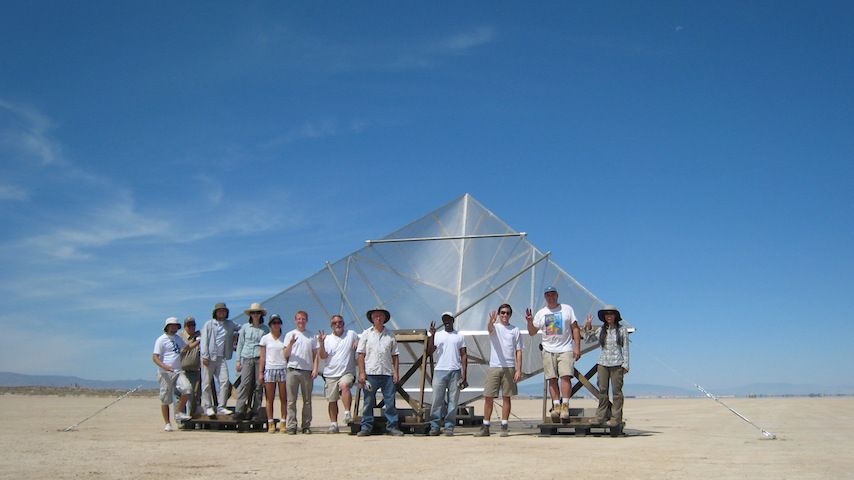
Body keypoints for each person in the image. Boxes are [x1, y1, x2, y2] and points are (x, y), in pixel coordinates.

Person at [525, 286, 581, 422]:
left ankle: (565, 406)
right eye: (548, 295)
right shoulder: (541, 313)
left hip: (565, 348)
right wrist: (529, 321)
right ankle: (556, 406)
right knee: (552, 378)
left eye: (553, 294)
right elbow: (532, 332)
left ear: (557, 295)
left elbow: (575, 328)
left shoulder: (567, 309)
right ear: (545, 297)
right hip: (548, 349)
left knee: (566, 377)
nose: (550, 297)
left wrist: (577, 347)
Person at [475, 304, 523, 437]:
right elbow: (489, 329)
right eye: (502, 313)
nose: (505, 315)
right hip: (495, 366)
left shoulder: (515, 330)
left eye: (507, 313)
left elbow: (519, 351)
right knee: (488, 396)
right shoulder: (495, 327)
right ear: (499, 314)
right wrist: (491, 321)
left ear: (510, 314)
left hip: (510, 367)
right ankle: (486, 426)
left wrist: (519, 369)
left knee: (506, 397)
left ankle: (504, 426)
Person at [356, 308, 404, 437]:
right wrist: (361, 373)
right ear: (372, 318)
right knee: (368, 401)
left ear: (384, 318)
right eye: (375, 316)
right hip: (370, 372)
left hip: (387, 373)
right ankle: (366, 427)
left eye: (380, 316)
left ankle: (392, 427)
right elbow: (361, 355)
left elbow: (395, 355)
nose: (378, 318)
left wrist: (396, 372)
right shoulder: (366, 334)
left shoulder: (390, 335)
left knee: (390, 402)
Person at [583, 305, 629, 427]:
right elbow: (588, 340)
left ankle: (616, 418)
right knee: (603, 391)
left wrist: (626, 364)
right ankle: (600, 417)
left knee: (616, 392)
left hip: (617, 363)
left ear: (615, 316)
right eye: (606, 314)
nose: (609, 316)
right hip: (603, 364)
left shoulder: (622, 330)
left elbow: (625, 348)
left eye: (611, 314)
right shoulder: (601, 330)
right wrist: (588, 327)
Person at [427, 311, 467, 436]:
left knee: (453, 401)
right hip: (440, 370)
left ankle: (449, 427)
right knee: (437, 400)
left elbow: (464, 355)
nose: (446, 322)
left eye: (448, 319)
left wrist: (464, 374)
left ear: (452, 320)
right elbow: (429, 351)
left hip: (455, 371)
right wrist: (432, 335)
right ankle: (435, 426)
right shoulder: (438, 335)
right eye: (444, 319)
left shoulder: (459, 336)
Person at [318, 314, 359, 434]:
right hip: (330, 373)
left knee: (344, 385)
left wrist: (358, 342)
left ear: (343, 323)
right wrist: (321, 343)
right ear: (331, 325)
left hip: (347, 372)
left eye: (340, 322)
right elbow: (322, 356)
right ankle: (333, 424)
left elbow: (363, 338)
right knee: (332, 400)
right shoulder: (327, 339)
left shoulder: (351, 334)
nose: (338, 324)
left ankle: (347, 413)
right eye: (335, 323)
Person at [152, 317, 192, 431]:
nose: (174, 327)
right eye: (172, 325)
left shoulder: (178, 338)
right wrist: (165, 366)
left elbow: (187, 347)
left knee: (187, 389)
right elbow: (155, 357)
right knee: (165, 399)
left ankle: (179, 412)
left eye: (176, 325)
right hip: (165, 373)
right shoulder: (161, 339)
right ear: (167, 327)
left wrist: (198, 341)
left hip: (178, 371)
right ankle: (167, 423)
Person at [283, 310, 319, 434]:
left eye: (303, 319)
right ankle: (292, 426)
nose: (301, 321)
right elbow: (285, 354)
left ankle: (306, 426)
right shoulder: (290, 335)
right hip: (292, 370)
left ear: (306, 321)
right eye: (299, 319)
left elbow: (315, 355)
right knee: (291, 401)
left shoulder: (312, 336)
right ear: (295, 320)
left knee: (307, 400)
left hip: (307, 372)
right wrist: (291, 344)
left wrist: (315, 369)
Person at [200, 302, 239, 417]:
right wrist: (204, 355)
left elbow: (242, 329)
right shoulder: (209, 324)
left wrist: (236, 336)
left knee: (225, 381)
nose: (221, 312)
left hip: (221, 357)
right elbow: (204, 340)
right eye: (219, 311)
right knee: (206, 383)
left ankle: (221, 407)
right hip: (209, 357)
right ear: (215, 312)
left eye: (224, 311)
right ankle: (207, 407)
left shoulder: (230, 324)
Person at [234, 303, 270, 421]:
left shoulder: (265, 329)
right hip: (247, 358)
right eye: (253, 313)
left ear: (261, 314)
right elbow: (240, 344)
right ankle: (239, 410)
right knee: (245, 384)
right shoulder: (245, 327)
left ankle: (255, 411)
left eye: (257, 313)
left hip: (260, 359)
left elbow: (267, 346)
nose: (255, 315)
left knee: (258, 386)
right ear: (250, 314)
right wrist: (238, 360)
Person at [259, 314, 287, 433]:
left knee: (283, 397)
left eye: (278, 322)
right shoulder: (265, 338)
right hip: (270, 369)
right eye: (273, 323)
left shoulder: (285, 338)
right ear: (270, 325)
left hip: (283, 368)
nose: (276, 325)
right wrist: (261, 372)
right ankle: (270, 422)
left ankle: (283, 422)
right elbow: (262, 357)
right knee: (269, 398)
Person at [178, 316, 202, 417]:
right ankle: (180, 417)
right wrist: (196, 342)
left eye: (193, 325)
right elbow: (183, 349)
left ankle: (192, 417)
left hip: (195, 371)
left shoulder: (200, 335)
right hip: (181, 371)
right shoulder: (179, 337)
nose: (191, 327)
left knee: (195, 395)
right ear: (185, 326)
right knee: (181, 395)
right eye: (189, 325)